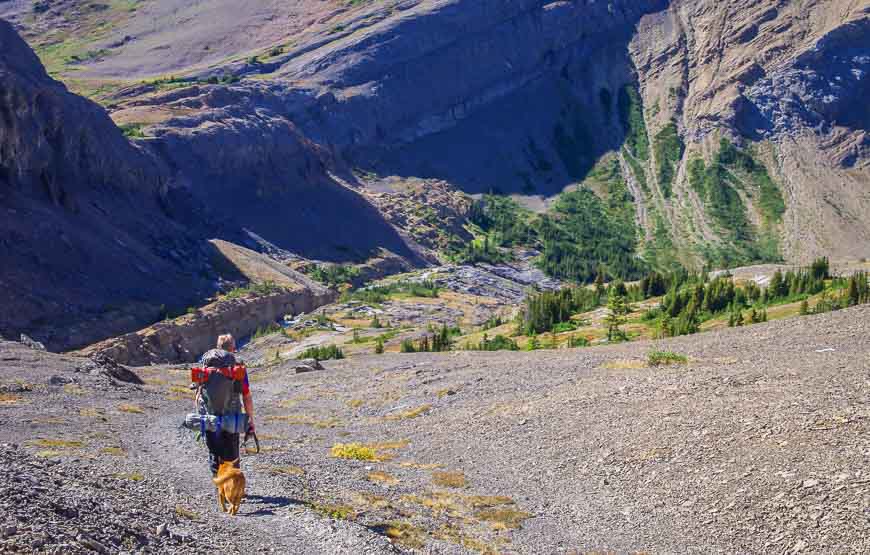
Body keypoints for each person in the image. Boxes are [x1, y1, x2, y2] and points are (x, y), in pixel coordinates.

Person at [195, 334, 256, 476]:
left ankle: (220, 490)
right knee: (232, 457)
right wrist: (250, 420)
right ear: (233, 348)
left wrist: (201, 416)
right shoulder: (237, 366)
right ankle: (233, 491)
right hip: (232, 420)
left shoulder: (206, 365)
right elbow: (246, 395)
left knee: (214, 455)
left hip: (210, 419)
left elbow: (198, 395)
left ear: (218, 347)